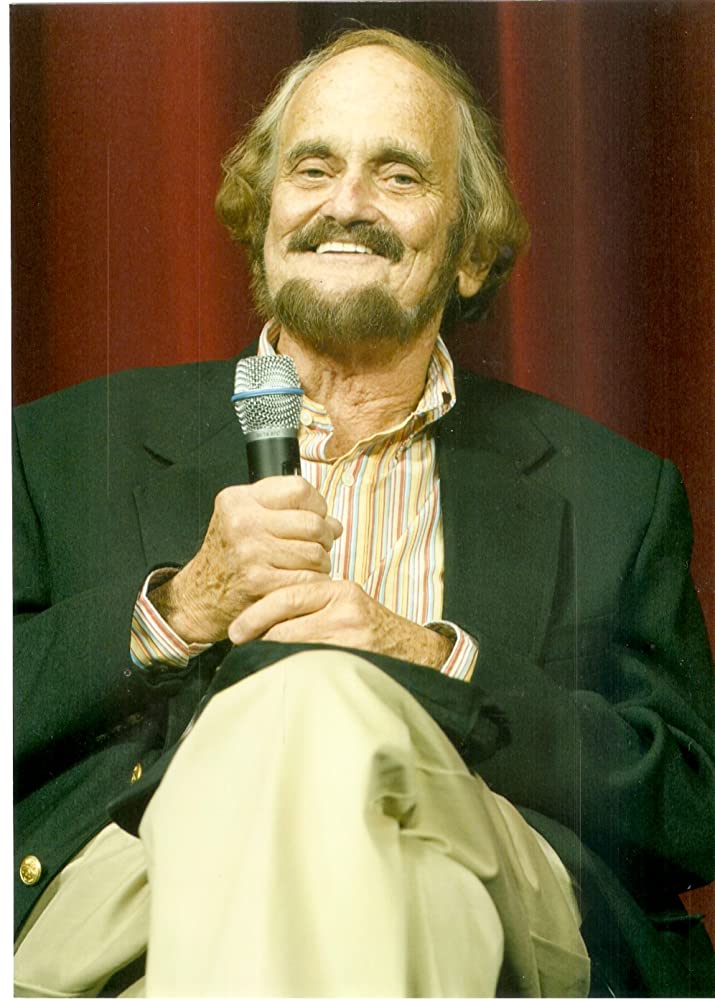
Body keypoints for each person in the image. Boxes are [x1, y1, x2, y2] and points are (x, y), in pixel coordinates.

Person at [13, 27, 714, 998]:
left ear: (469, 252)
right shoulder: (60, 447)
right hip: (136, 892)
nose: (346, 203)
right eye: (313, 169)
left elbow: (688, 806)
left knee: (316, 705)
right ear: (264, 218)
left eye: (398, 175)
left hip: (488, 879)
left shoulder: (609, 492)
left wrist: (428, 660)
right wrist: (176, 609)